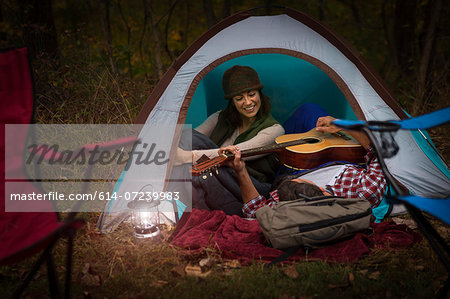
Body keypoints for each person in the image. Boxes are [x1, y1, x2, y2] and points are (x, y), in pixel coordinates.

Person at [173, 65, 285, 216]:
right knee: (195, 162)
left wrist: (185, 157)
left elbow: (235, 154)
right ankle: (183, 214)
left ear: (260, 94)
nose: (247, 102)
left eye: (251, 94)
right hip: (221, 177)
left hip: (251, 185)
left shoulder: (275, 129)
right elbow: (190, 138)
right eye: (239, 98)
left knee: (204, 169)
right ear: (232, 101)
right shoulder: (220, 117)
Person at [225, 115, 387, 218]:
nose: (292, 181)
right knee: (310, 110)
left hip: (293, 165)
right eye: (295, 183)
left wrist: (240, 170)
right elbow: (380, 153)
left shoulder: (282, 206)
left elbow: (252, 210)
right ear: (323, 190)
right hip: (341, 157)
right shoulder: (363, 191)